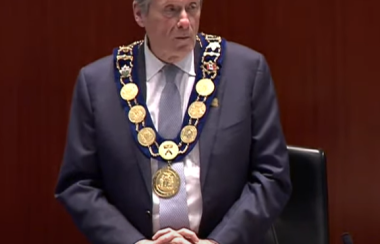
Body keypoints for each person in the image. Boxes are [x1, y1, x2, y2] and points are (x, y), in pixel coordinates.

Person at [54, 0, 292, 243]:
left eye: (192, 7)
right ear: (139, 13)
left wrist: (219, 241)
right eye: (171, 9)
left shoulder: (246, 72)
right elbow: (78, 184)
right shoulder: (97, 84)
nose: (186, 21)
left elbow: (271, 175)